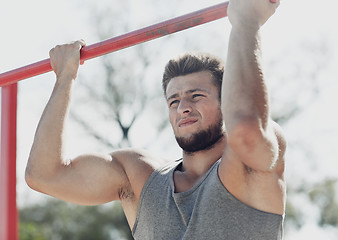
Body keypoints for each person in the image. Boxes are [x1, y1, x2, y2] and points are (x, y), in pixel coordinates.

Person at [26, 0, 286, 239]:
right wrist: (65, 78)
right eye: (174, 100)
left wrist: (246, 22)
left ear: (225, 102)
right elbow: (43, 175)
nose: (183, 107)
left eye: (196, 96)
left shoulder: (250, 163)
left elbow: (247, 130)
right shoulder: (139, 174)